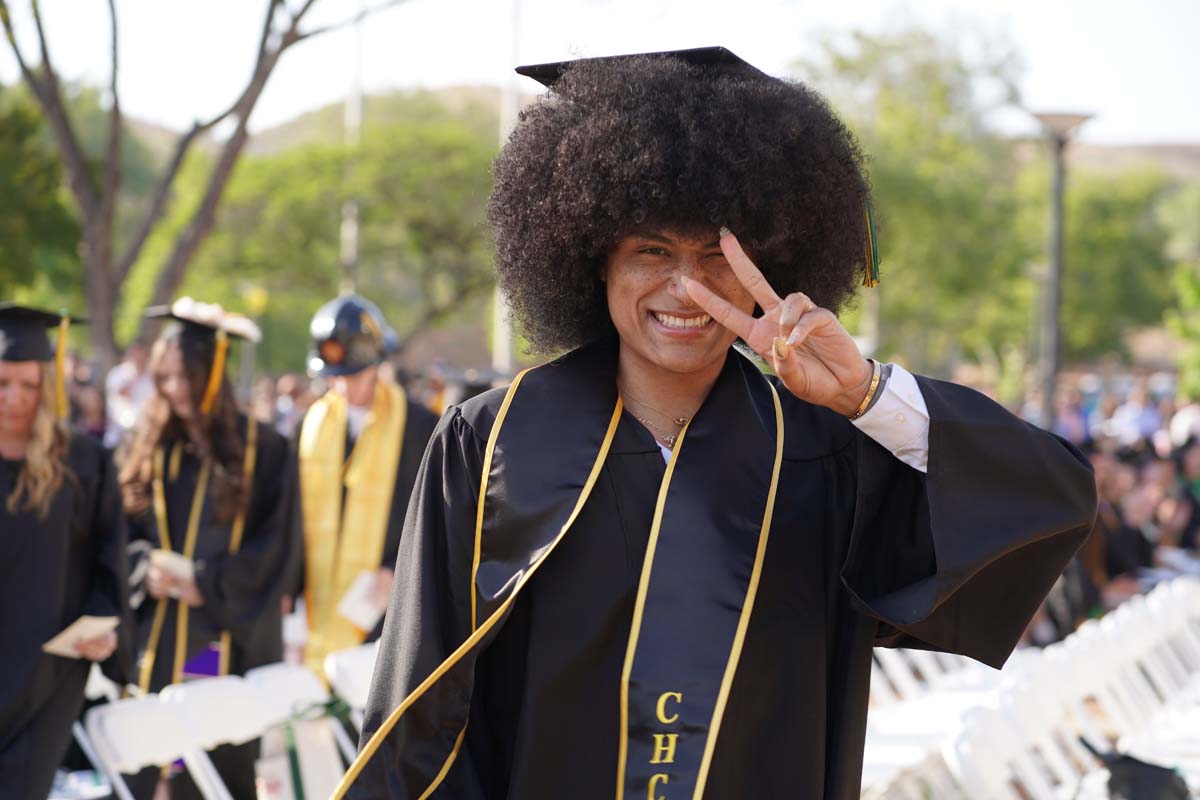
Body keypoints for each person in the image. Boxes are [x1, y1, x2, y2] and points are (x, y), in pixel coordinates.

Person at [334, 49, 1097, 799]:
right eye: (651, 250)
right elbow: (420, 715)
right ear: (595, 258)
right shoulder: (493, 446)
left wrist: (866, 394)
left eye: (718, 255)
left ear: (773, 266)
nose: (686, 287)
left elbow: (1046, 501)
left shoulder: (821, 453)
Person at [117, 297, 300, 799]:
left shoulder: (264, 449)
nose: (176, 389)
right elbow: (115, 532)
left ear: (215, 377)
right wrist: (142, 569)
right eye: (166, 377)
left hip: (222, 640)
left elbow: (278, 546)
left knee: (212, 774)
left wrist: (206, 583)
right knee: (144, 764)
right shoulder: (146, 442)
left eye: (187, 377)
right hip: (154, 637)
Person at [0, 304, 131, 799]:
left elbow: (109, 558)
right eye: (2, 383)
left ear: (48, 386)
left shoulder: (82, 462)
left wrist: (102, 625)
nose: (14, 398)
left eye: (28, 385)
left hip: (47, 678)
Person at [293, 294, 439, 678]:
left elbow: (433, 514)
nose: (341, 388)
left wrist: (396, 569)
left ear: (376, 366)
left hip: (385, 603)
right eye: (333, 377)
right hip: (316, 605)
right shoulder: (310, 425)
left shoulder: (419, 427)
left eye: (352, 376)